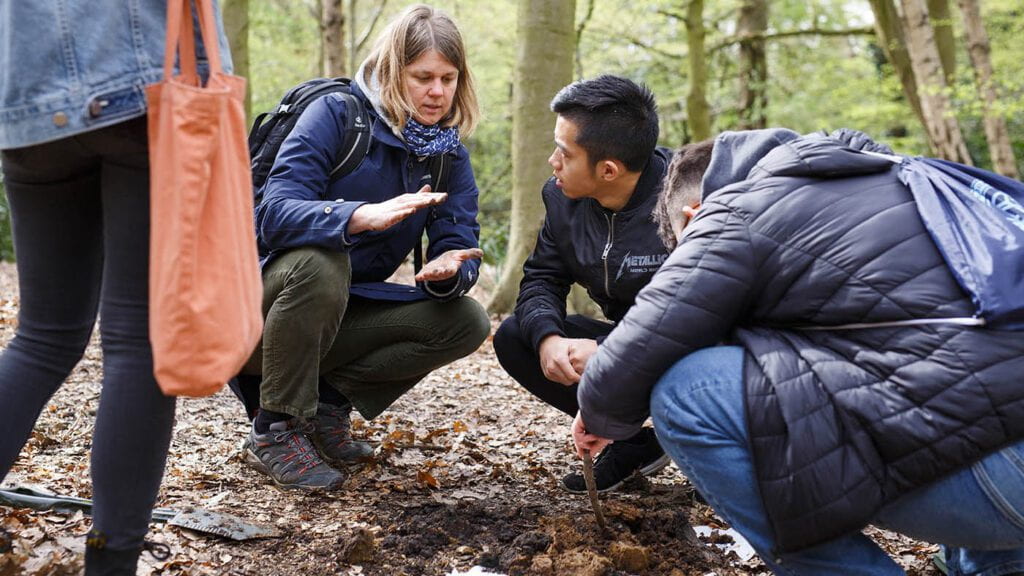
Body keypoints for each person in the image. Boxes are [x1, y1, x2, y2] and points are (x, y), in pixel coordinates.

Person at [573, 128, 1024, 575]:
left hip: (1006, 478)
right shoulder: (902, 180)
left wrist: (598, 413)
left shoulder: (738, 209)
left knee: (688, 390)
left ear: (693, 217)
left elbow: (628, 364)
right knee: (955, 370)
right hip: (1001, 449)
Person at [0, 1, 234, 574]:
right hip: (143, 87)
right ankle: (112, 561)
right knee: (137, 344)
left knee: (42, 339)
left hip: (24, 97)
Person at [240, 3, 490, 492]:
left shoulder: (446, 153)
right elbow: (273, 214)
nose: (437, 92)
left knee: (467, 320)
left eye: (448, 78)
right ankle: (274, 429)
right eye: (423, 77)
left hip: (343, 312)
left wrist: (451, 270)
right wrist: (354, 216)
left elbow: (460, 239)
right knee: (321, 261)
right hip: (258, 313)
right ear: (395, 71)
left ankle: (328, 407)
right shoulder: (335, 115)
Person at [493, 75, 675, 494]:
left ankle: (726, 456)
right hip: (627, 343)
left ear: (608, 170)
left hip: (692, 350)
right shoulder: (562, 198)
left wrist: (615, 352)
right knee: (517, 335)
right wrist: (549, 339)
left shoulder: (685, 203)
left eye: (565, 153)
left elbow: (713, 321)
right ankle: (632, 445)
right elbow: (542, 277)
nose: (553, 162)